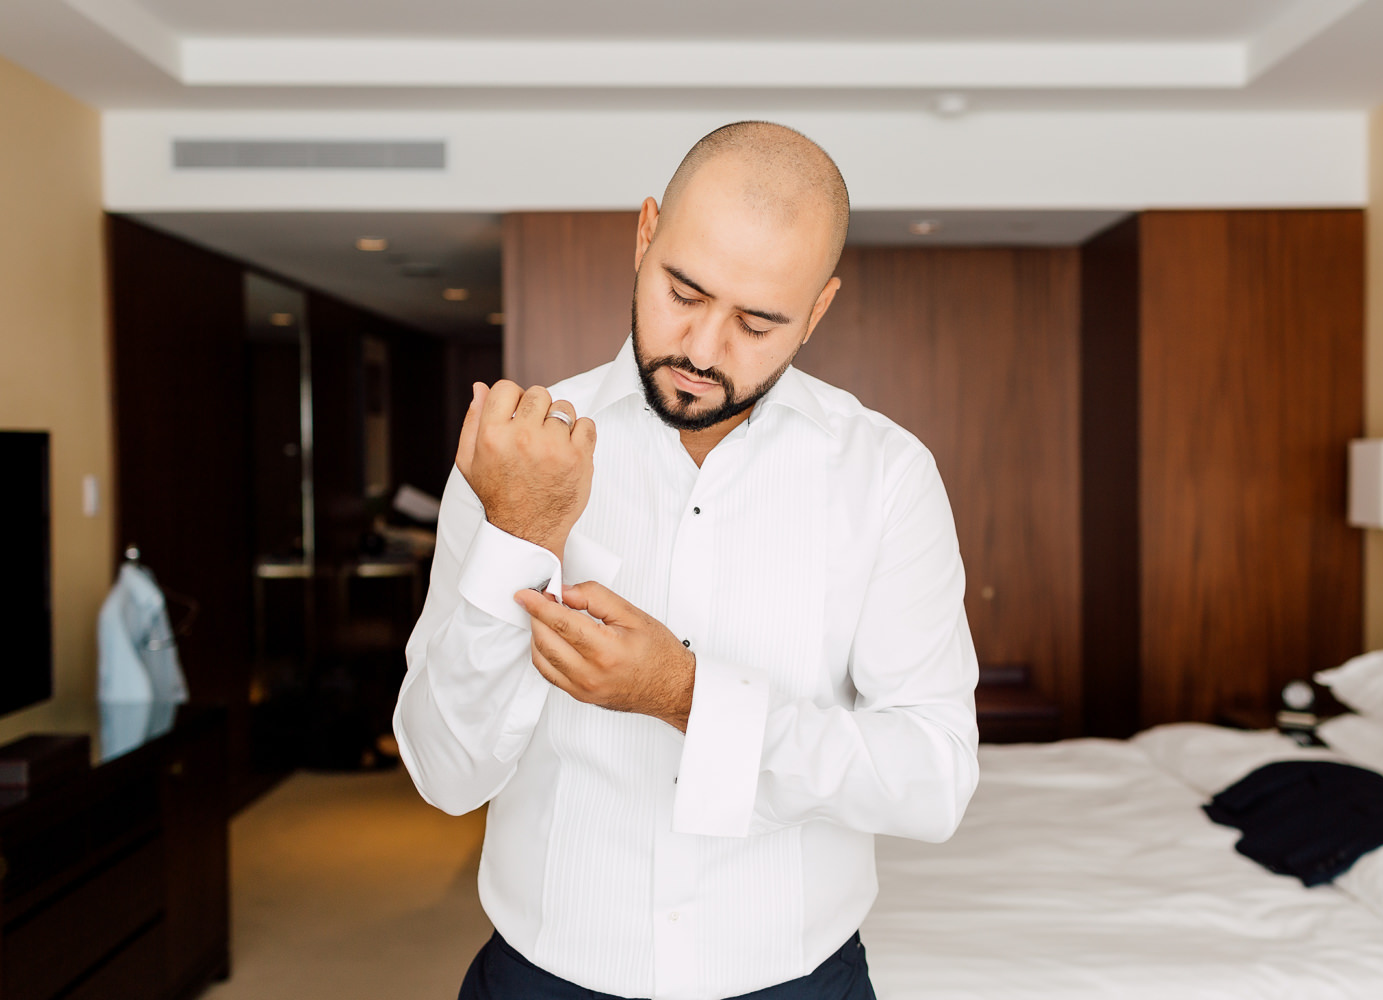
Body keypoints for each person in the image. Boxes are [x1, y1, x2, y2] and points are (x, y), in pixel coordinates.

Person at [394, 121, 980, 1000]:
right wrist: (521, 532)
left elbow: (933, 781)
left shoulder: (887, 478)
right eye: (683, 291)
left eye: (757, 322)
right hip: (542, 976)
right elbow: (445, 774)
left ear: (817, 311)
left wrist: (687, 696)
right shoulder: (516, 457)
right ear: (644, 235)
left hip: (799, 981)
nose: (704, 351)